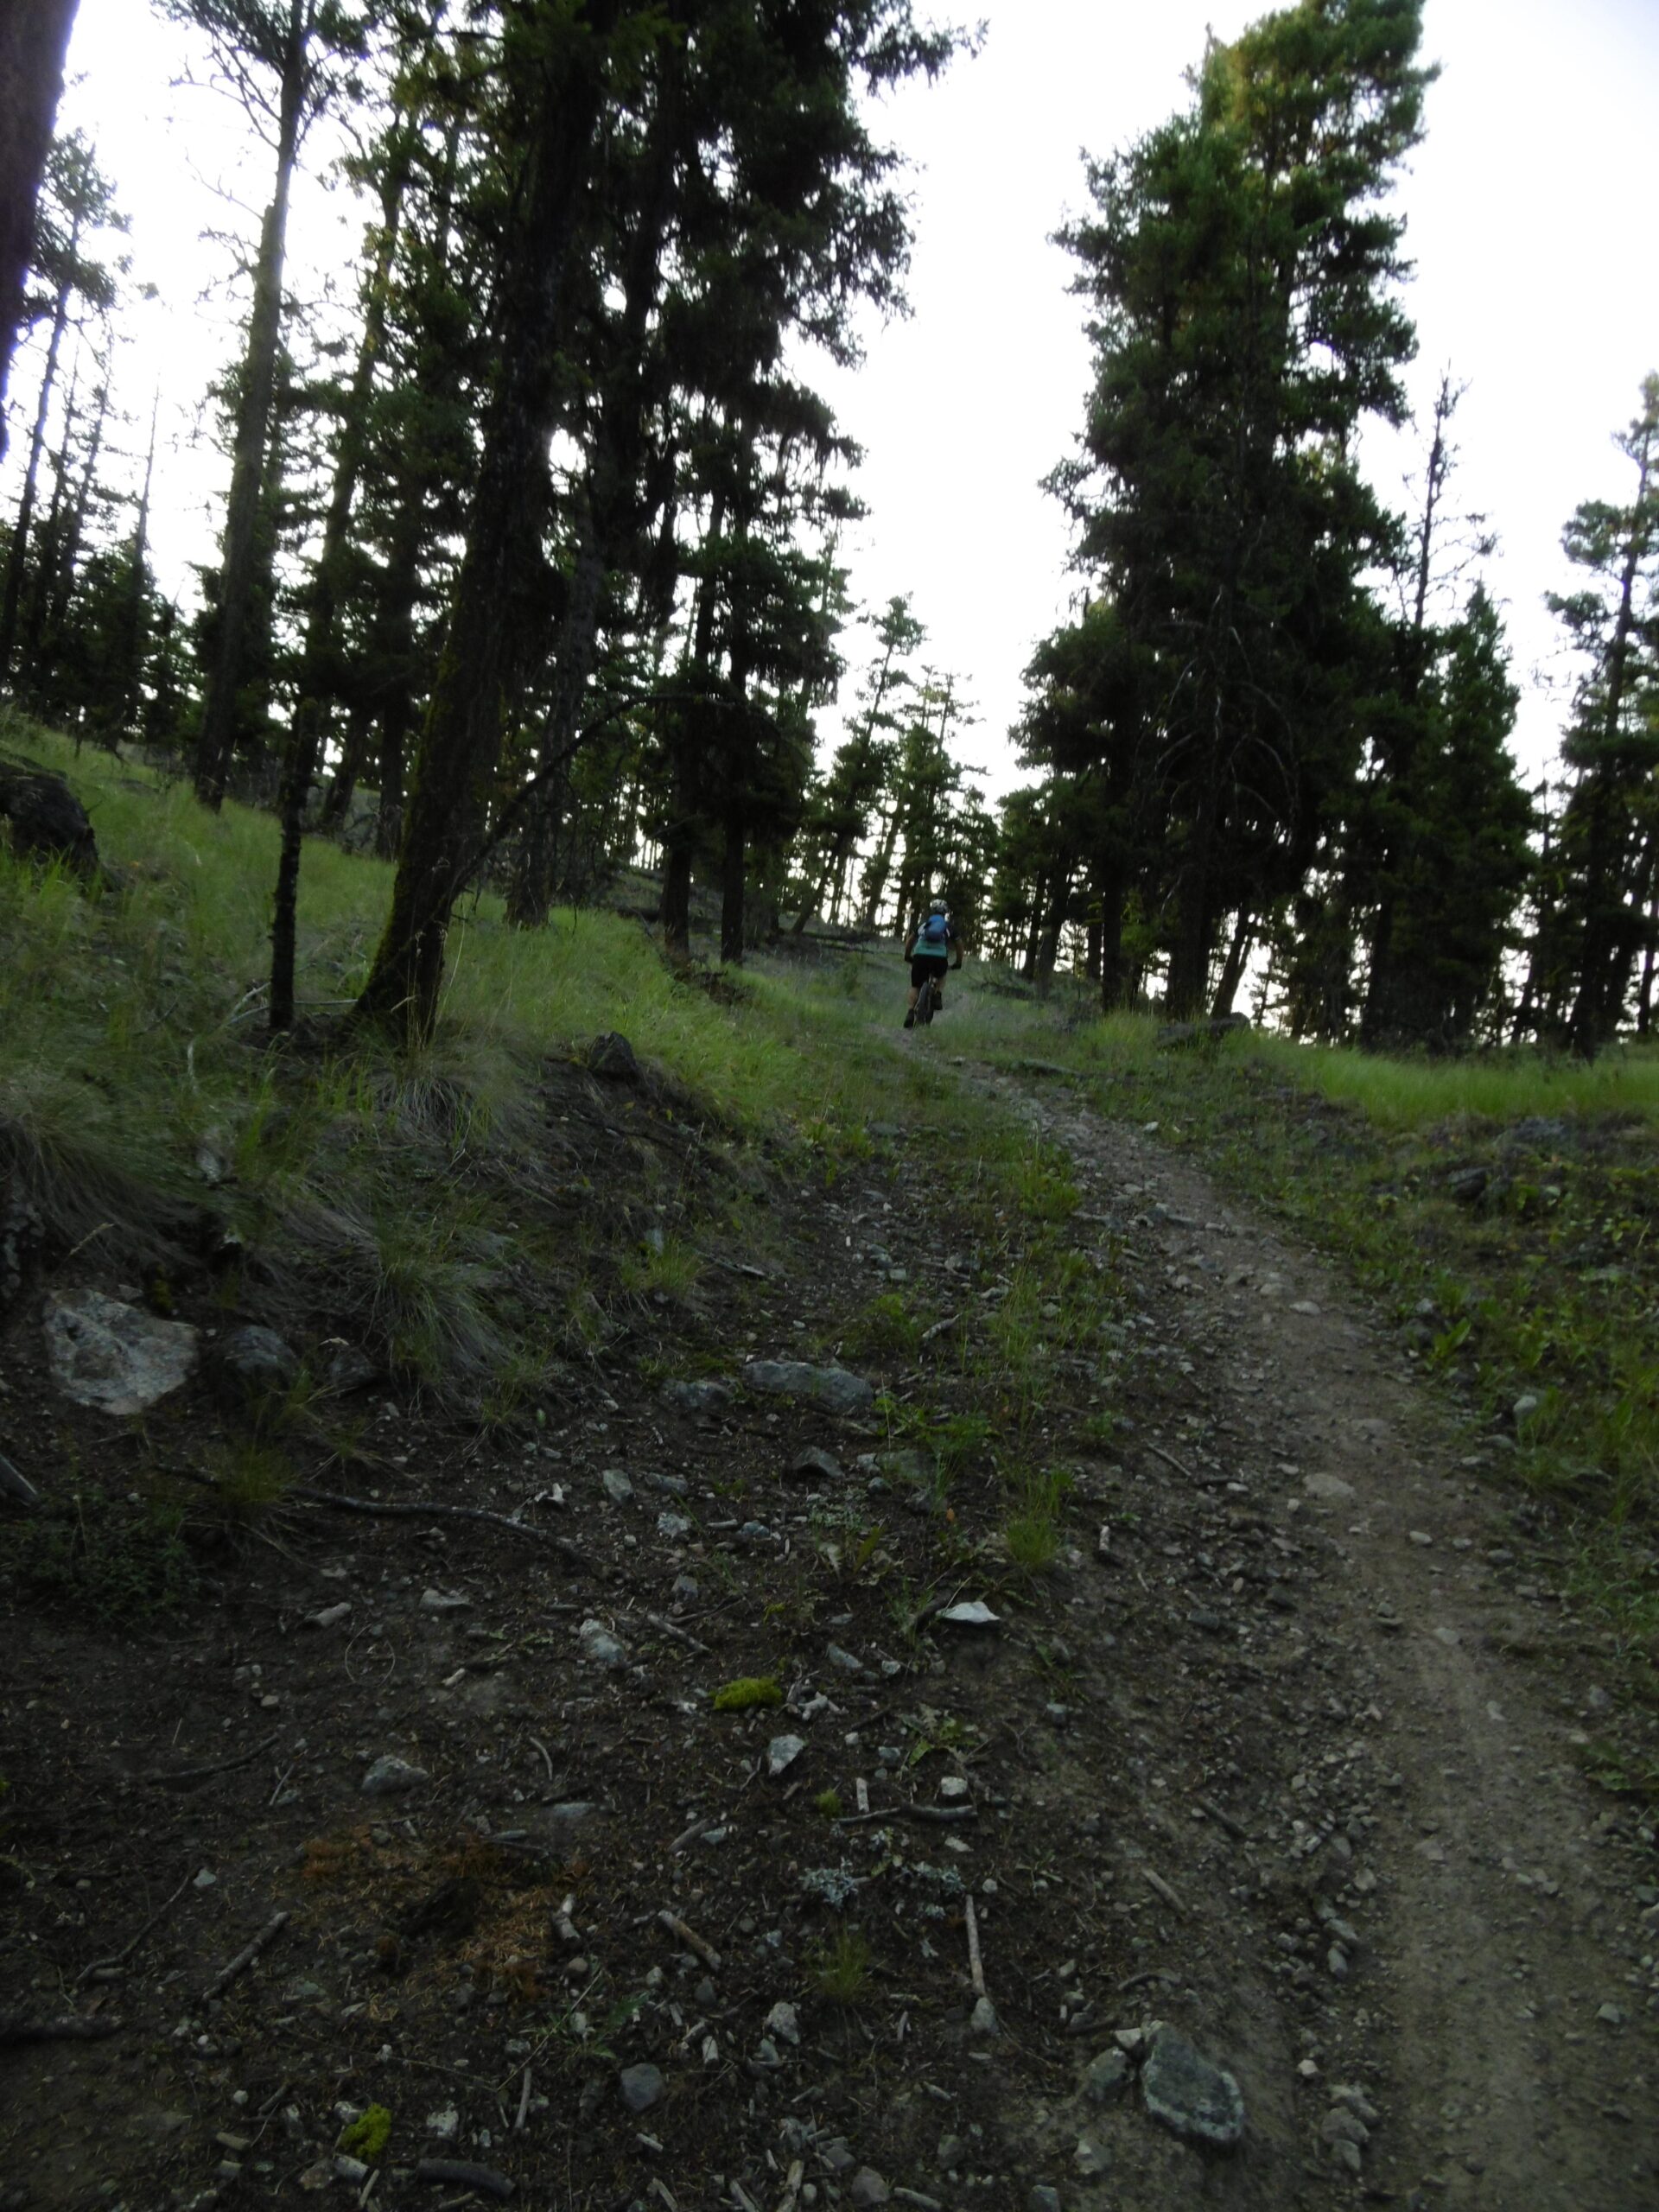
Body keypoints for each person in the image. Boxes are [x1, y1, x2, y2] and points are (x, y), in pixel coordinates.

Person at [903, 896, 963, 1026]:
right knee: (942, 973)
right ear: (945, 913)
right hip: (939, 957)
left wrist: (907, 955)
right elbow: (959, 945)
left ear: (932, 911)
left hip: (920, 955)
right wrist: (958, 962)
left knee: (916, 986)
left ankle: (910, 1012)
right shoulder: (948, 926)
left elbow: (910, 941)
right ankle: (938, 995)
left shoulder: (923, 924)